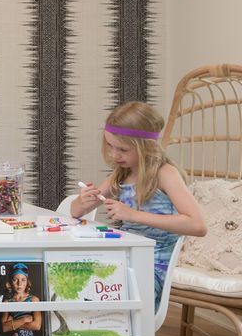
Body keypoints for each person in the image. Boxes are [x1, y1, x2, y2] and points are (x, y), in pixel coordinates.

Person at [69, 101, 206, 311]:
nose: (115, 155)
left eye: (123, 149)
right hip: (125, 260)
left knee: (93, 290)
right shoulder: (122, 174)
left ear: (147, 146)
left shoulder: (165, 173)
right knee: (71, 276)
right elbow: (76, 212)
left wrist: (133, 215)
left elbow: (197, 225)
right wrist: (83, 201)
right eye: (110, 146)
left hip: (152, 267)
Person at [1, 263, 41, 336]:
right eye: (15, 280)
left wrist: (12, 323)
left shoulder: (33, 300)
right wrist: (24, 320)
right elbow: (4, 328)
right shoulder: (7, 302)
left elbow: (37, 326)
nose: (19, 284)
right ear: (10, 282)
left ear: (27, 282)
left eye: (23, 280)